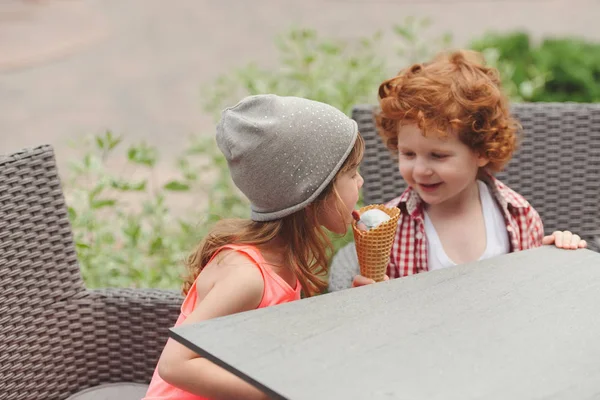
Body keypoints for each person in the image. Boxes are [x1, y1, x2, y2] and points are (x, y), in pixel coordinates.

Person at [143, 94, 364, 399]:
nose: (361, 182)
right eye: (351, 173)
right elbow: (175, 365)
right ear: (312, 195)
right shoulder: (246, 276)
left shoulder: (284, 255)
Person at [353, 50, 586, 287]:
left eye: (438, 155)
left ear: (481, 151)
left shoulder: (520, 216)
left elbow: (533, 291)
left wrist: (555, 254)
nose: (421, 170)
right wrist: (369, 294)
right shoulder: (390, 229)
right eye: (409, 154)